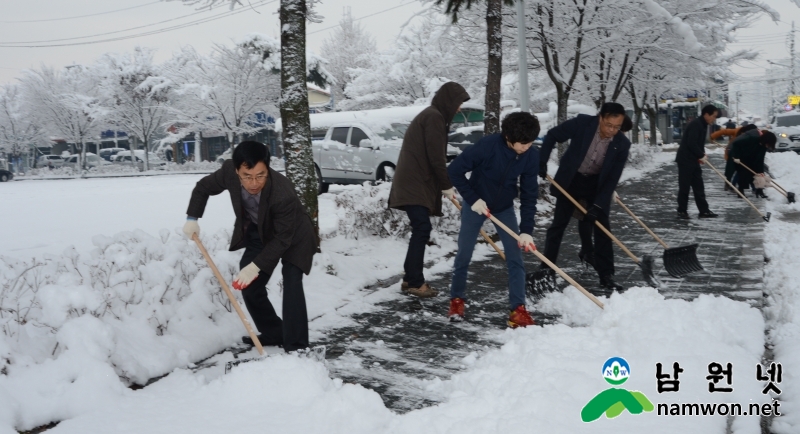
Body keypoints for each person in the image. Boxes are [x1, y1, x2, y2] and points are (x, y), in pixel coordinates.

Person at [183, 141, 317, 352]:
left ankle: (297, 346)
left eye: (261, 175)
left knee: (292, 282)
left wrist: (256, 266)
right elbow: (203, 188)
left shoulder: (283, 192)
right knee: (250, 286)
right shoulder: (228, 172)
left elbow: (283, 239)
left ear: (268, 168)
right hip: (260, 232)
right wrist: (192, 218)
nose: (254, 183)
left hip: (294, 235)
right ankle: (274, 332)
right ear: (237, 170)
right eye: (247, 176)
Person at [446, 112, 540, 327]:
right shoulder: (487, 146)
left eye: (530, 142)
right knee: (464, 253)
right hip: (475, 204)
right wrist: (473, 199)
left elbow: (529, 193)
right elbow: (455, 170)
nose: (526, 147)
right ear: (508, 136)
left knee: (515, 257)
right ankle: (457, 299)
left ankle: (518, 309)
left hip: (504, 208)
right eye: (523, 143)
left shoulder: (530, 156)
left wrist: (526, 229)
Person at [536, 102, 631, 292]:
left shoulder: (622, 144)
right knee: (558, 226)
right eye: (608, 125)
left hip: (596, 184)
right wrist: (541, 161)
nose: (612, 130)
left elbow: (612, 178)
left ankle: (606, 275)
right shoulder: (582, 123)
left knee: (603, 228)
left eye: (617, 127)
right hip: (572, 180)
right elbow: (553, 135)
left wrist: (599, 204)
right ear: (600, 118)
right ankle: (546, 270)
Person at [388, 81, 470, 298]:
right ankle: (415, 281)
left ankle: (409, 278)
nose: (459, 108)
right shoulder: (434, 117)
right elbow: (436, 158)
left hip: (415, 181)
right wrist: (446, 186)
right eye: (458, 103)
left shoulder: (433, 115)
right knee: (422, 229)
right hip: (415, 182)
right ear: (449, 101)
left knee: (420, 228)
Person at [675, 104, 719, 219]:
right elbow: (691, 143)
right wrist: (700, 154)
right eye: (713, 116)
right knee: (685, 186)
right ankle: (682, 211)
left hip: (693, 160)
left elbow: (699, 144)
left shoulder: (703, 125)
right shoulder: (696, 125)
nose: (714, 119)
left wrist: (701, 156)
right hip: (685, 160)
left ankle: (704, 211)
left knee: (699, 186)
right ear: (706, 114)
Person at [729, 129, 777, 197]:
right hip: (741, 159)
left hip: (753, 161)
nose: (768, 145)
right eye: (769, 143)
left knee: (758, 176)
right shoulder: (752, 139)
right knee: (743, 175)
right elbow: (736, 144)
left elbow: (760, 159)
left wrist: (761, 172)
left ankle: (759, 191)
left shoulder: (763, 147)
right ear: (766, 140)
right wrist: (737, 157)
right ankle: (740, 191)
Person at [710, 123, 757, 189]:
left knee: (742, 170)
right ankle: (727, 183)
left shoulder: (752, 136)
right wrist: (712, 136)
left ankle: (737, 185)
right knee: (730, 169)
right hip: (731, 152)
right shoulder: (737, 131)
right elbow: (724, 131)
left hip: (742, 154)